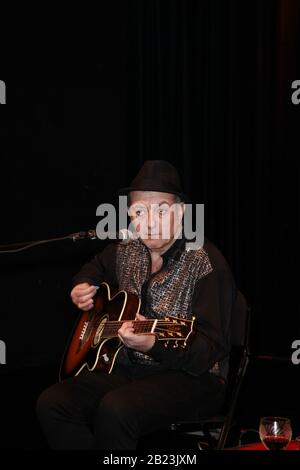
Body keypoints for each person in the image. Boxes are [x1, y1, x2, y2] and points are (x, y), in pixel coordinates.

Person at [36, 160, 236, 450]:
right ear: (130, 215)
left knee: (117, 410)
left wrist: (153, 343)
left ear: (180, 212)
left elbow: (208, 351)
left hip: (195, 378)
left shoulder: (206, 264)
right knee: (53, 403)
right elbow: (95, 266)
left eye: (161, 210)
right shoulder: (128, 250)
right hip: (130, 370)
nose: (150, 222)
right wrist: (82, 286)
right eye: (140, 211)